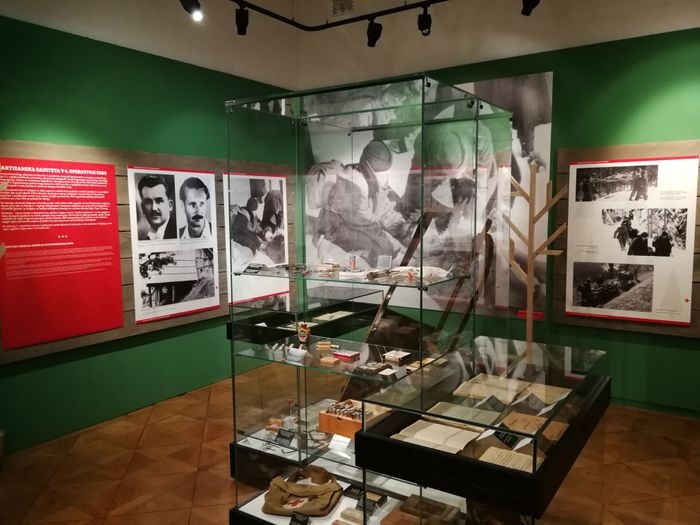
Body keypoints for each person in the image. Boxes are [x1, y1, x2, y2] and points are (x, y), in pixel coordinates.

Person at [137, 174, 176, 240]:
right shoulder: (145, 240)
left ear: (170, 205)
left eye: (159, 201)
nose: (154, 208)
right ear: (143, 208)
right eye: (148, 202)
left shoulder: (178, 233)